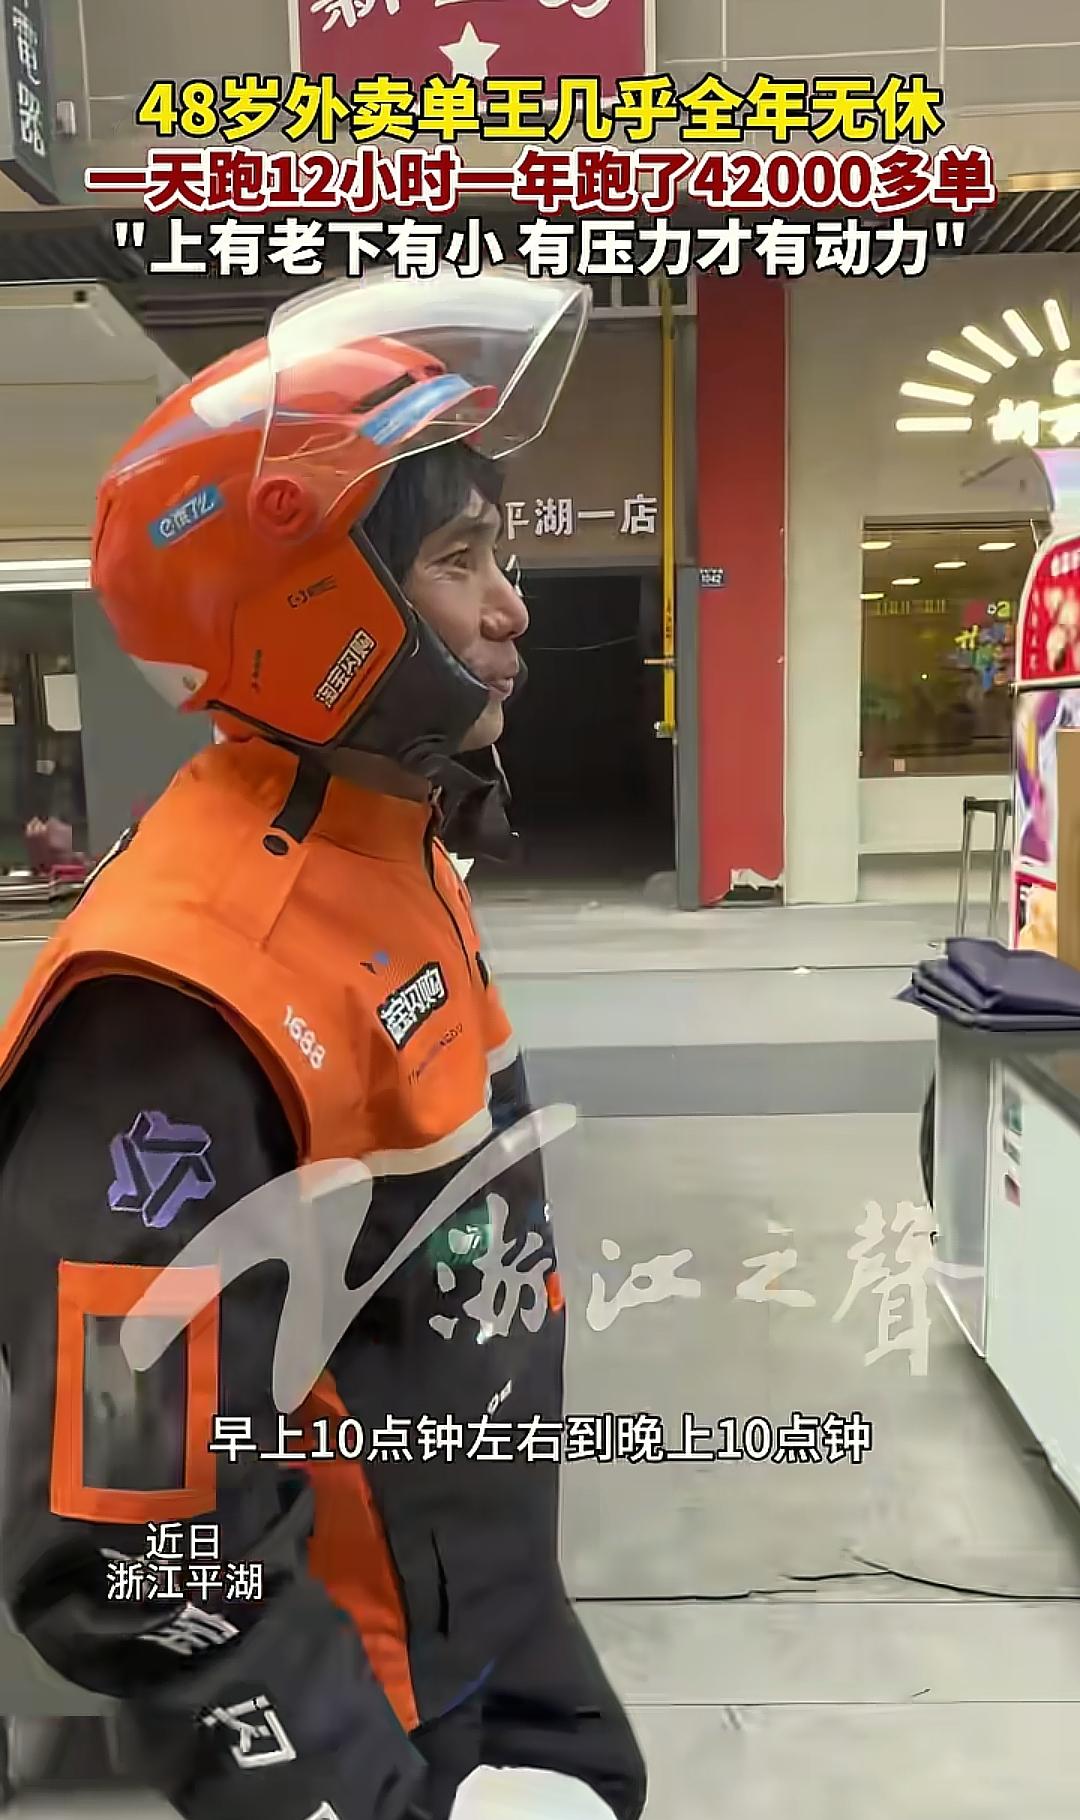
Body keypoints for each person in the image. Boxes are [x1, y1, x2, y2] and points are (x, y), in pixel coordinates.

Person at [0, 271, 646, 1820]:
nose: (514, 605)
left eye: (502, 553)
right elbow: (130, 1537)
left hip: (492, 1623)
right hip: (380, 1720)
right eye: (458, 559)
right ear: (320, 614)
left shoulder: (391, 848)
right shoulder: (177, 994)